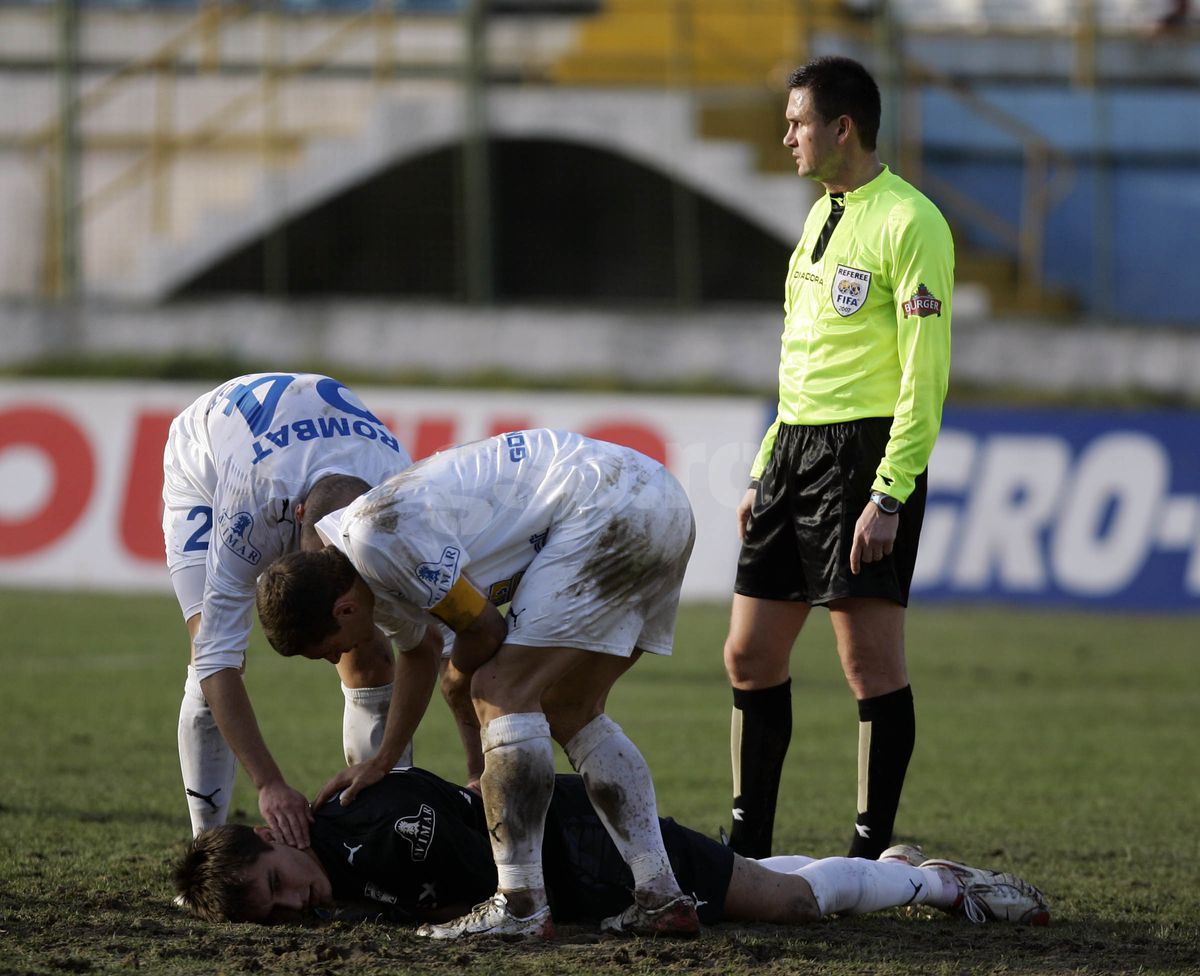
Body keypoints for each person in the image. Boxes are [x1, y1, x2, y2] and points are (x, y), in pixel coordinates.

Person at [254, 428, 701, 939]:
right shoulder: (358, 566)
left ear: (344, 609)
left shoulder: (375, 539)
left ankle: (520, 906)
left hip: (608, 507)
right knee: (569, 708)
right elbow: (420, 653)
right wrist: (383, 761)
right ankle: (660, 896)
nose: (341, 657)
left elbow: (485, 628)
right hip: (654, 498)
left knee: (498, 688)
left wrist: (461, 685)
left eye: (330, 648)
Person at [723, 56, 954, 861]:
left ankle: (867, 854)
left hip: (862, 456)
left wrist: (889, 493)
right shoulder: (818, 216)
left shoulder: (910, 221)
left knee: (867, 664)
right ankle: (744, 847)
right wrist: (764, 466)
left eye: (797, 122)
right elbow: (798, 361)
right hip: (794, 451)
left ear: (842, 127)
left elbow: (925, 375)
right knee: (749, 655)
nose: (786, 134)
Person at [172, 766, 1051, 931]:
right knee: (751, 887)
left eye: (281, 883)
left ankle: (937, 886)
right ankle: (892, 869)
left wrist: (442, 914)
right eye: (276, 912)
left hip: (585, 845)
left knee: (789, 908)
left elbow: (473, 879)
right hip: (580, 864)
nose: (297, 903)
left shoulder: (368, 831)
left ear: (273, 837)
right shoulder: (337, 857)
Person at [164, 371, 439, 849]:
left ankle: (379, 832)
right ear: (294, 523)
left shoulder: (402, 499)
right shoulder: (251, 506)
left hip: (316, 454)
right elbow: (216, 659)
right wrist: (269, 783)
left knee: (368, 655)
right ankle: (206, 847)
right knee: (208, 654)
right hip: (205, 466)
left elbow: (441, 644)